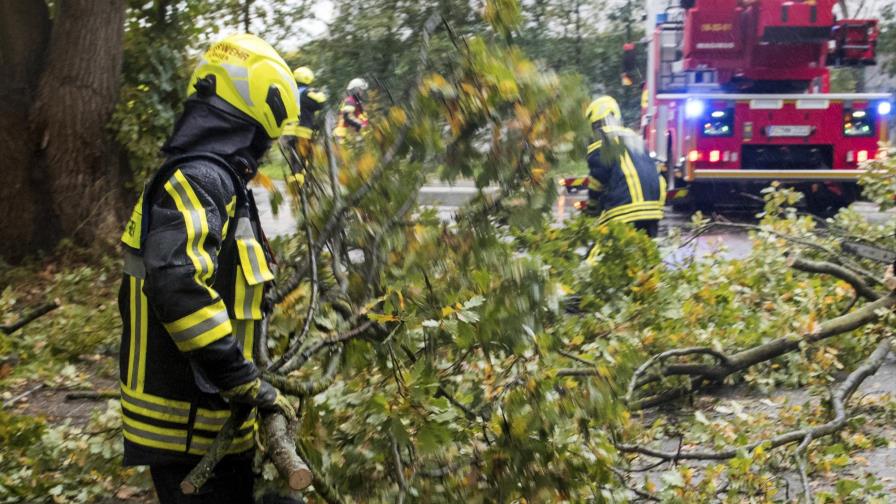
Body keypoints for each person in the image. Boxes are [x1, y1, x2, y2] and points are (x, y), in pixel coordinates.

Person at [118, 34, 299, 503]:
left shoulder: (212, 180)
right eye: (267, 137)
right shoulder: (199, 180)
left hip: (206, 412)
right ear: (253, 120)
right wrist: (244, 381)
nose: (266, 149)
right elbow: (180, 288)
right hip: (185, 421)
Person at [583, 95, 665, 238]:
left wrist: (591, 209)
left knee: (601, 256)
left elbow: (597, 182)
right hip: (653, 211)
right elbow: (657, 176)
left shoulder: (601, 142)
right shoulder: (635, 138)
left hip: (623, 211)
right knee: (644, 254)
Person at [279, 66, 327, 180]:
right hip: (302, 131)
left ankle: (294, 179)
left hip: (286, 133)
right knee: (304, 158)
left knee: (294, 158)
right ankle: (301, 182)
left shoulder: (287, 92)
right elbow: (321, 102)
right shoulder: (307, 93)